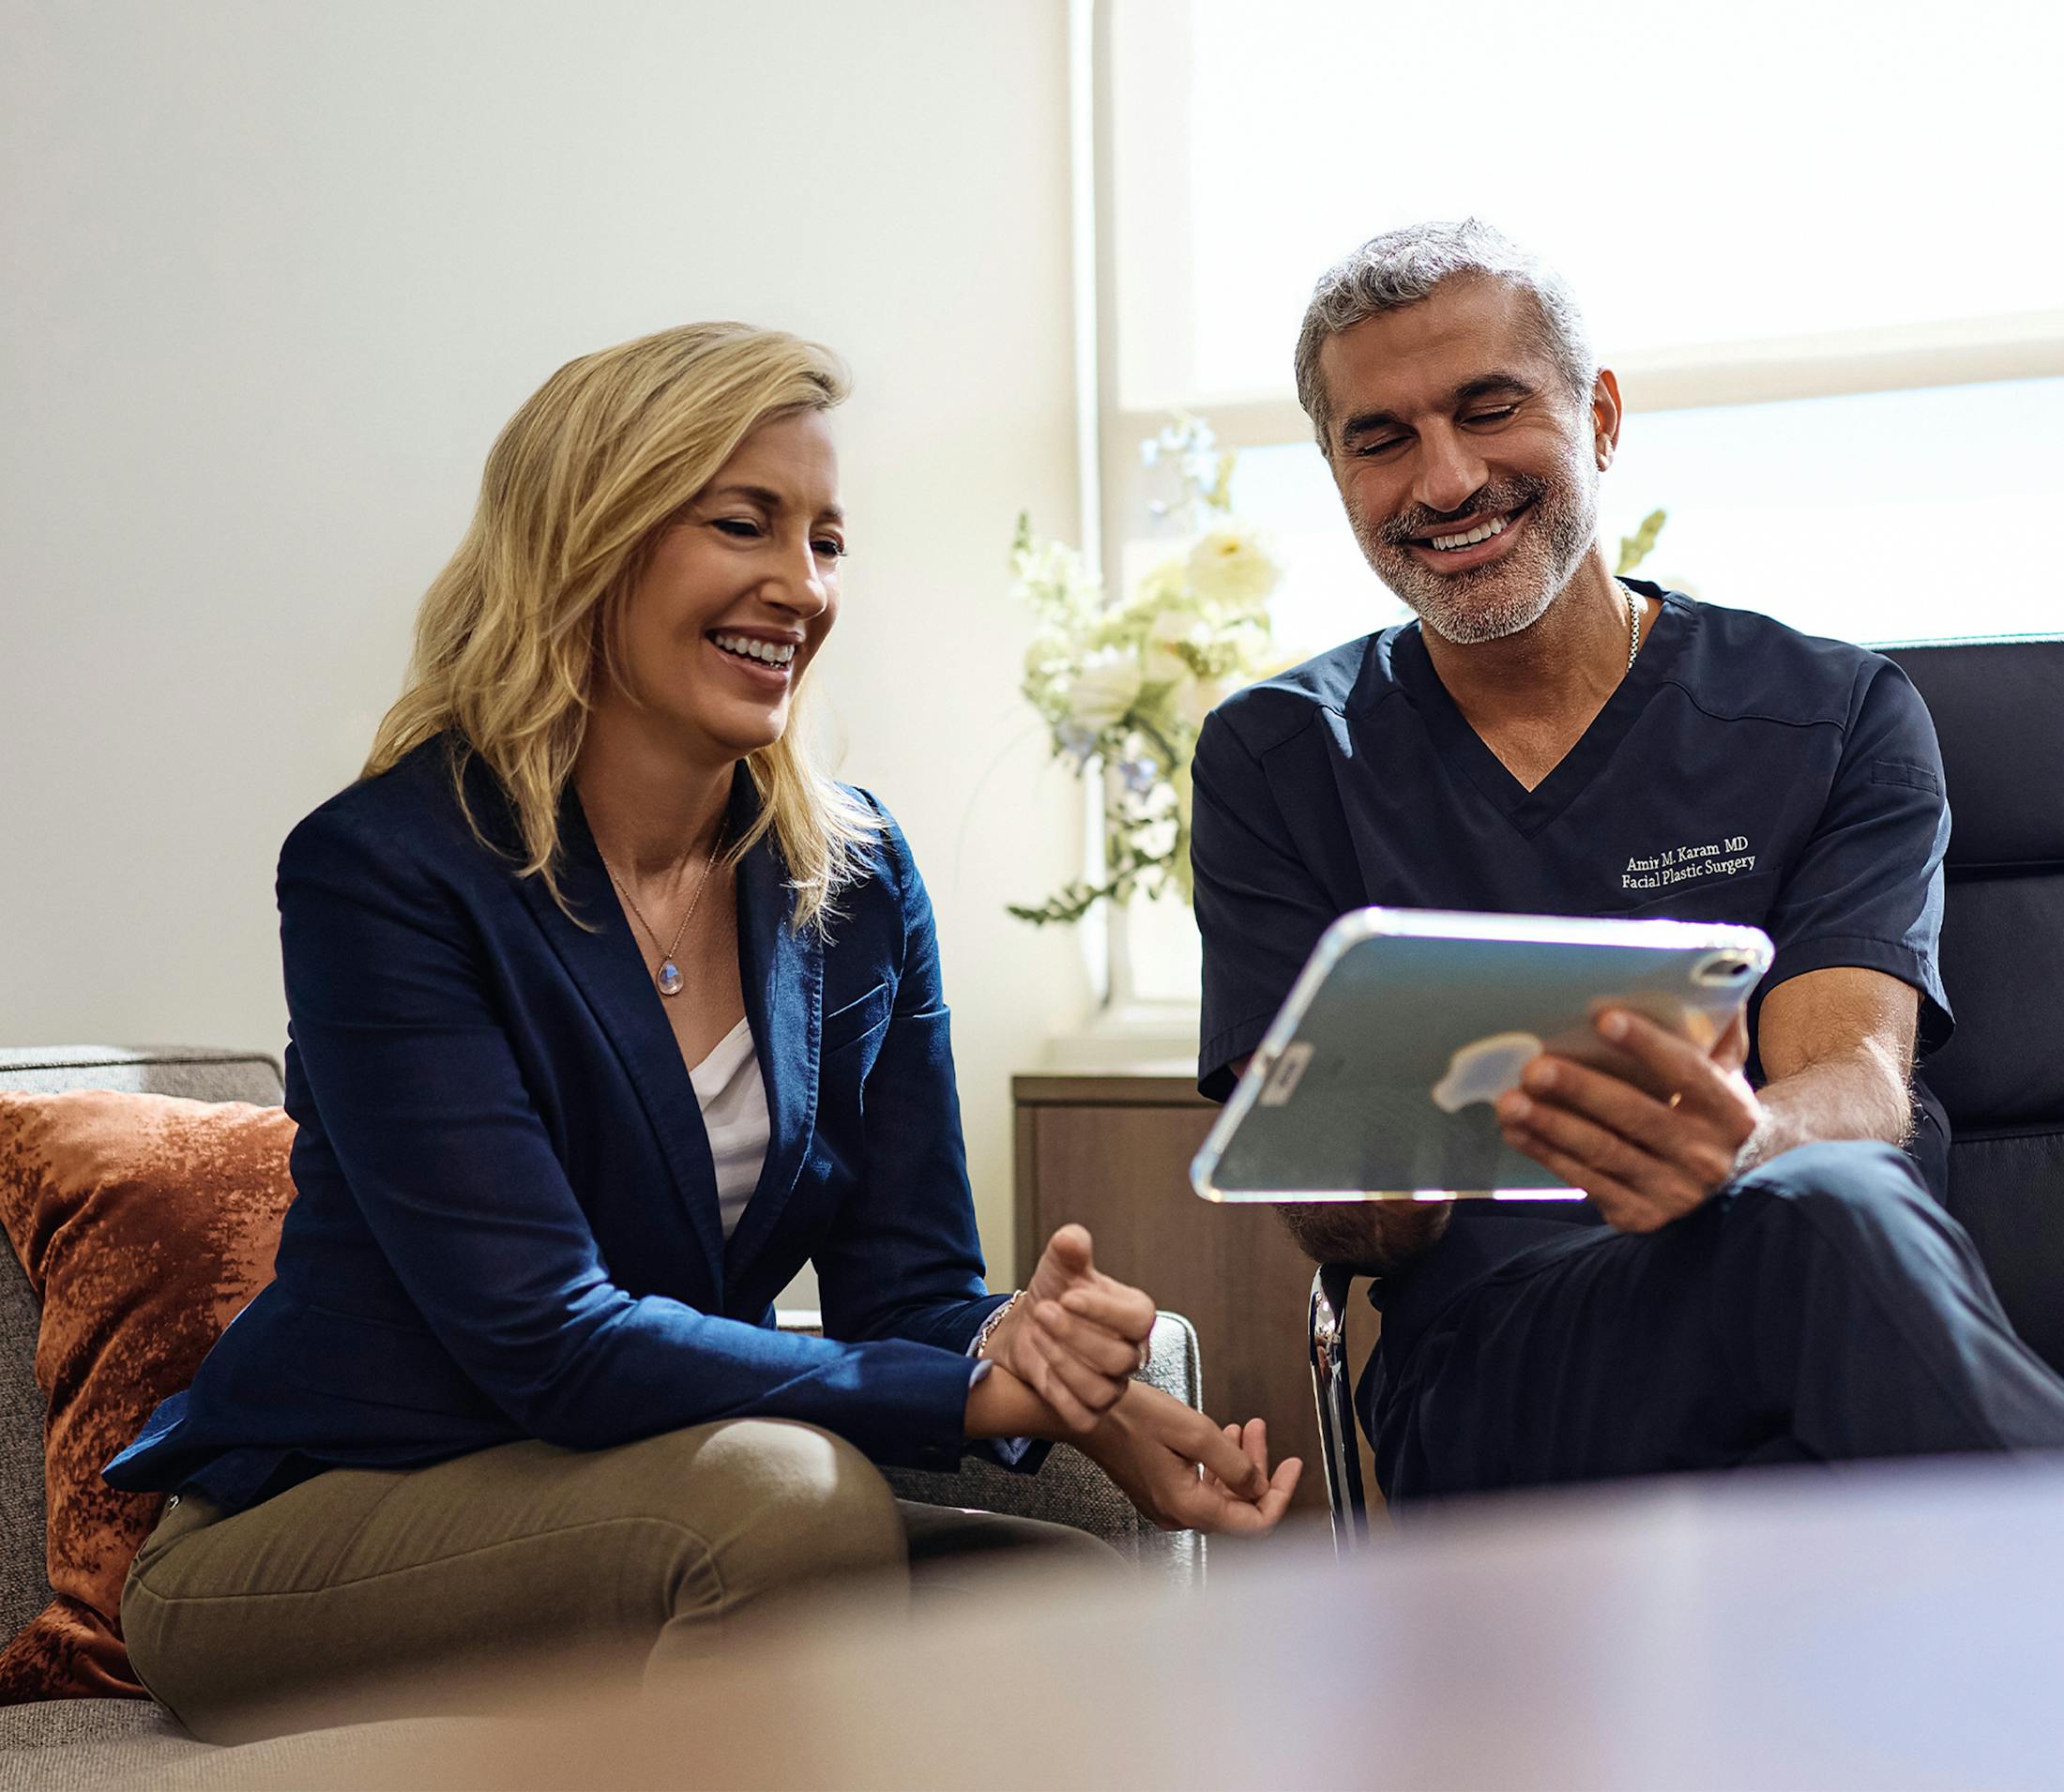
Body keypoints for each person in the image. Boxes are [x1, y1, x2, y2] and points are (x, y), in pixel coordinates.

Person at [107, 323, 1298, 1738]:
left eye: (829, 541)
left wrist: (1063, 1376)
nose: (801, 586)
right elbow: (548, 1341)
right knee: (788, 1507)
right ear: (588, 543)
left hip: (663, 1500)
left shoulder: (852, 879)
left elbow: (907, 1291)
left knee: (1061, 1613)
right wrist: (971, 1391)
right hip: (322, 1532)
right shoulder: (386, 870)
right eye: (746, 523)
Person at [1191, 220, 2064, 1506]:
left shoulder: (1831, 713)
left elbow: (1858, 1080)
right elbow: (1340, 1223)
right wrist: (1380, 1167)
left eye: (1491, 410)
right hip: (1507, 1366)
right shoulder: (1279, 758)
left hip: (1821, 1286)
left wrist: (1744, 1140)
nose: (1442, 481)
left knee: (1819, 1210)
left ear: (1598, 415)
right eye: (1381, 438)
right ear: (1334, 467)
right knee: (1833, 1246)